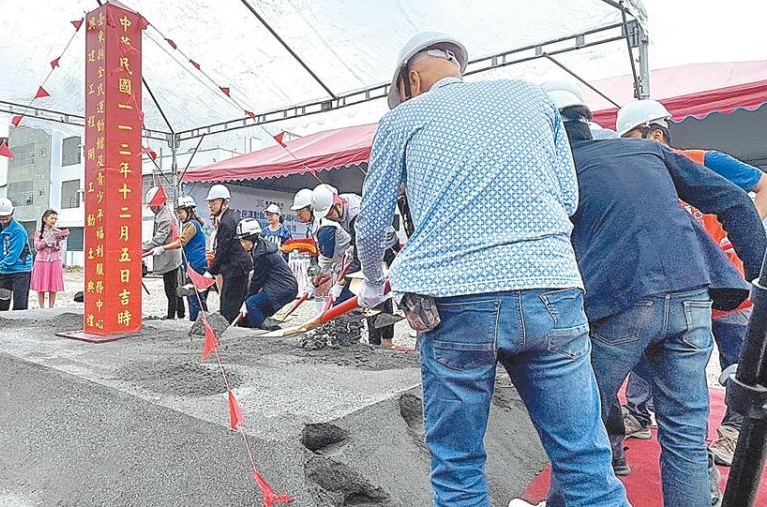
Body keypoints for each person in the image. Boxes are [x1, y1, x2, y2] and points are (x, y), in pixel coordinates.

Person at [356, 32, 628, 506]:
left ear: (412, 78)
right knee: (585, 462)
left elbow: (374, 220)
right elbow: (568, 198)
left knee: (458, 468)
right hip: (551, 292)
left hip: (454, 304)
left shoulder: (402, 118)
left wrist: (375, 285)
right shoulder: (531, 96)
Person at [543, 82, 765, 506]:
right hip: (690, 294)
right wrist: (759, 277)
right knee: (684, 428)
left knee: (579, 424)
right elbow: (737, 200)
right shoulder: (647, 152)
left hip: (621, 302)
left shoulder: (555, 172)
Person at [615, 98, 767, 466]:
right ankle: (638, 413)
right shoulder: (640, 175)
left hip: (729, 283)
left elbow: (764, 184)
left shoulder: (704, 161)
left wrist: (745, 228)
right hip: (681, 285)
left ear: (655, 133)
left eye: (633, 137)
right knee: (657, 354)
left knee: (738, 362)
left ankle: (733, 432)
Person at [312, 183, 400, 347]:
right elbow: (358, 245)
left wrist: (341, 281)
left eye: (329, 213)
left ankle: (385, 342)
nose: (329, 217)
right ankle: (375, 341)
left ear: (337, 204)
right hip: (370, 246)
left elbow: (362, 257)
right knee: (368, 295)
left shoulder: (355, 215)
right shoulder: (345, 203)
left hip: (386, 248)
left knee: (378, 293)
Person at [155, 195, 210, 324]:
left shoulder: (191, 225)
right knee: (198, 296)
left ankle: (196, 323)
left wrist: (163, 248)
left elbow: (181, 242)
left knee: (193, 296)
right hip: (196, 264)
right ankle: (204, 322)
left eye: (180, 212)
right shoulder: (193, 224)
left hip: (195, 265)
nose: (179, 216)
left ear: (189, 210)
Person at [236, 218, 298, 329]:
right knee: (260, 309)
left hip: (282, 288)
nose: (242, 244)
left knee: (252, 303)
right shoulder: (261, 247)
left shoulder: (262, 254)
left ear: (253, 238)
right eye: (241, 241)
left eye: (245, 241)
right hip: (284, 286)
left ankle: (264, 331)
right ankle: (267, 327)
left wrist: (246, 301)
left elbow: (257, 281)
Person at [203, 184, 252, 322]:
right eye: (209, 202)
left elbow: (222, 250)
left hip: (235, 269)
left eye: (214, 202)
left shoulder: (226, 222)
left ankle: (228, 333)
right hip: (239, 267)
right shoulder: (232, 216)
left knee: (228, 306)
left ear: (224, 203)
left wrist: (210, 271)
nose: (210, 205)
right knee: (237, 304)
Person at [0, 198, 33, 311]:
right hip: (5, 269)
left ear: (12, 212)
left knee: (20, 302)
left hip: (21, 269)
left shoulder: (18, 230)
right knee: (1, 300)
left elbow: (14, 254)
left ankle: (19, 323)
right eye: (0, 216)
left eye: (6, 215)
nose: (4, 218)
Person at [143, 187, 185, 320]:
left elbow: (159, 238)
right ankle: (181, 313)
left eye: (153, 206)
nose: (151, 208)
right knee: (174, 285)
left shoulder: (165, 217)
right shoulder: (162, 213)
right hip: (170, 255)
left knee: (170, 288)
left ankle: (171, 316)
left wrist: (143, 247)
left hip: (170, 256)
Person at [31, 209, 68, 308]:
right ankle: (41, 306)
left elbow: (59, 248)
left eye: (55, 218)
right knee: (41, 285)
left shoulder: (58, 232)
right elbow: (36, 246)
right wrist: (46, 241)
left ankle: (51, 306)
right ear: (45, 219)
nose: (53, 220)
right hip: (41, 260)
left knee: (53, 285)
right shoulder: (39, 232)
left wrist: (57, 240)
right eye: (51, 218)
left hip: (55, 260)